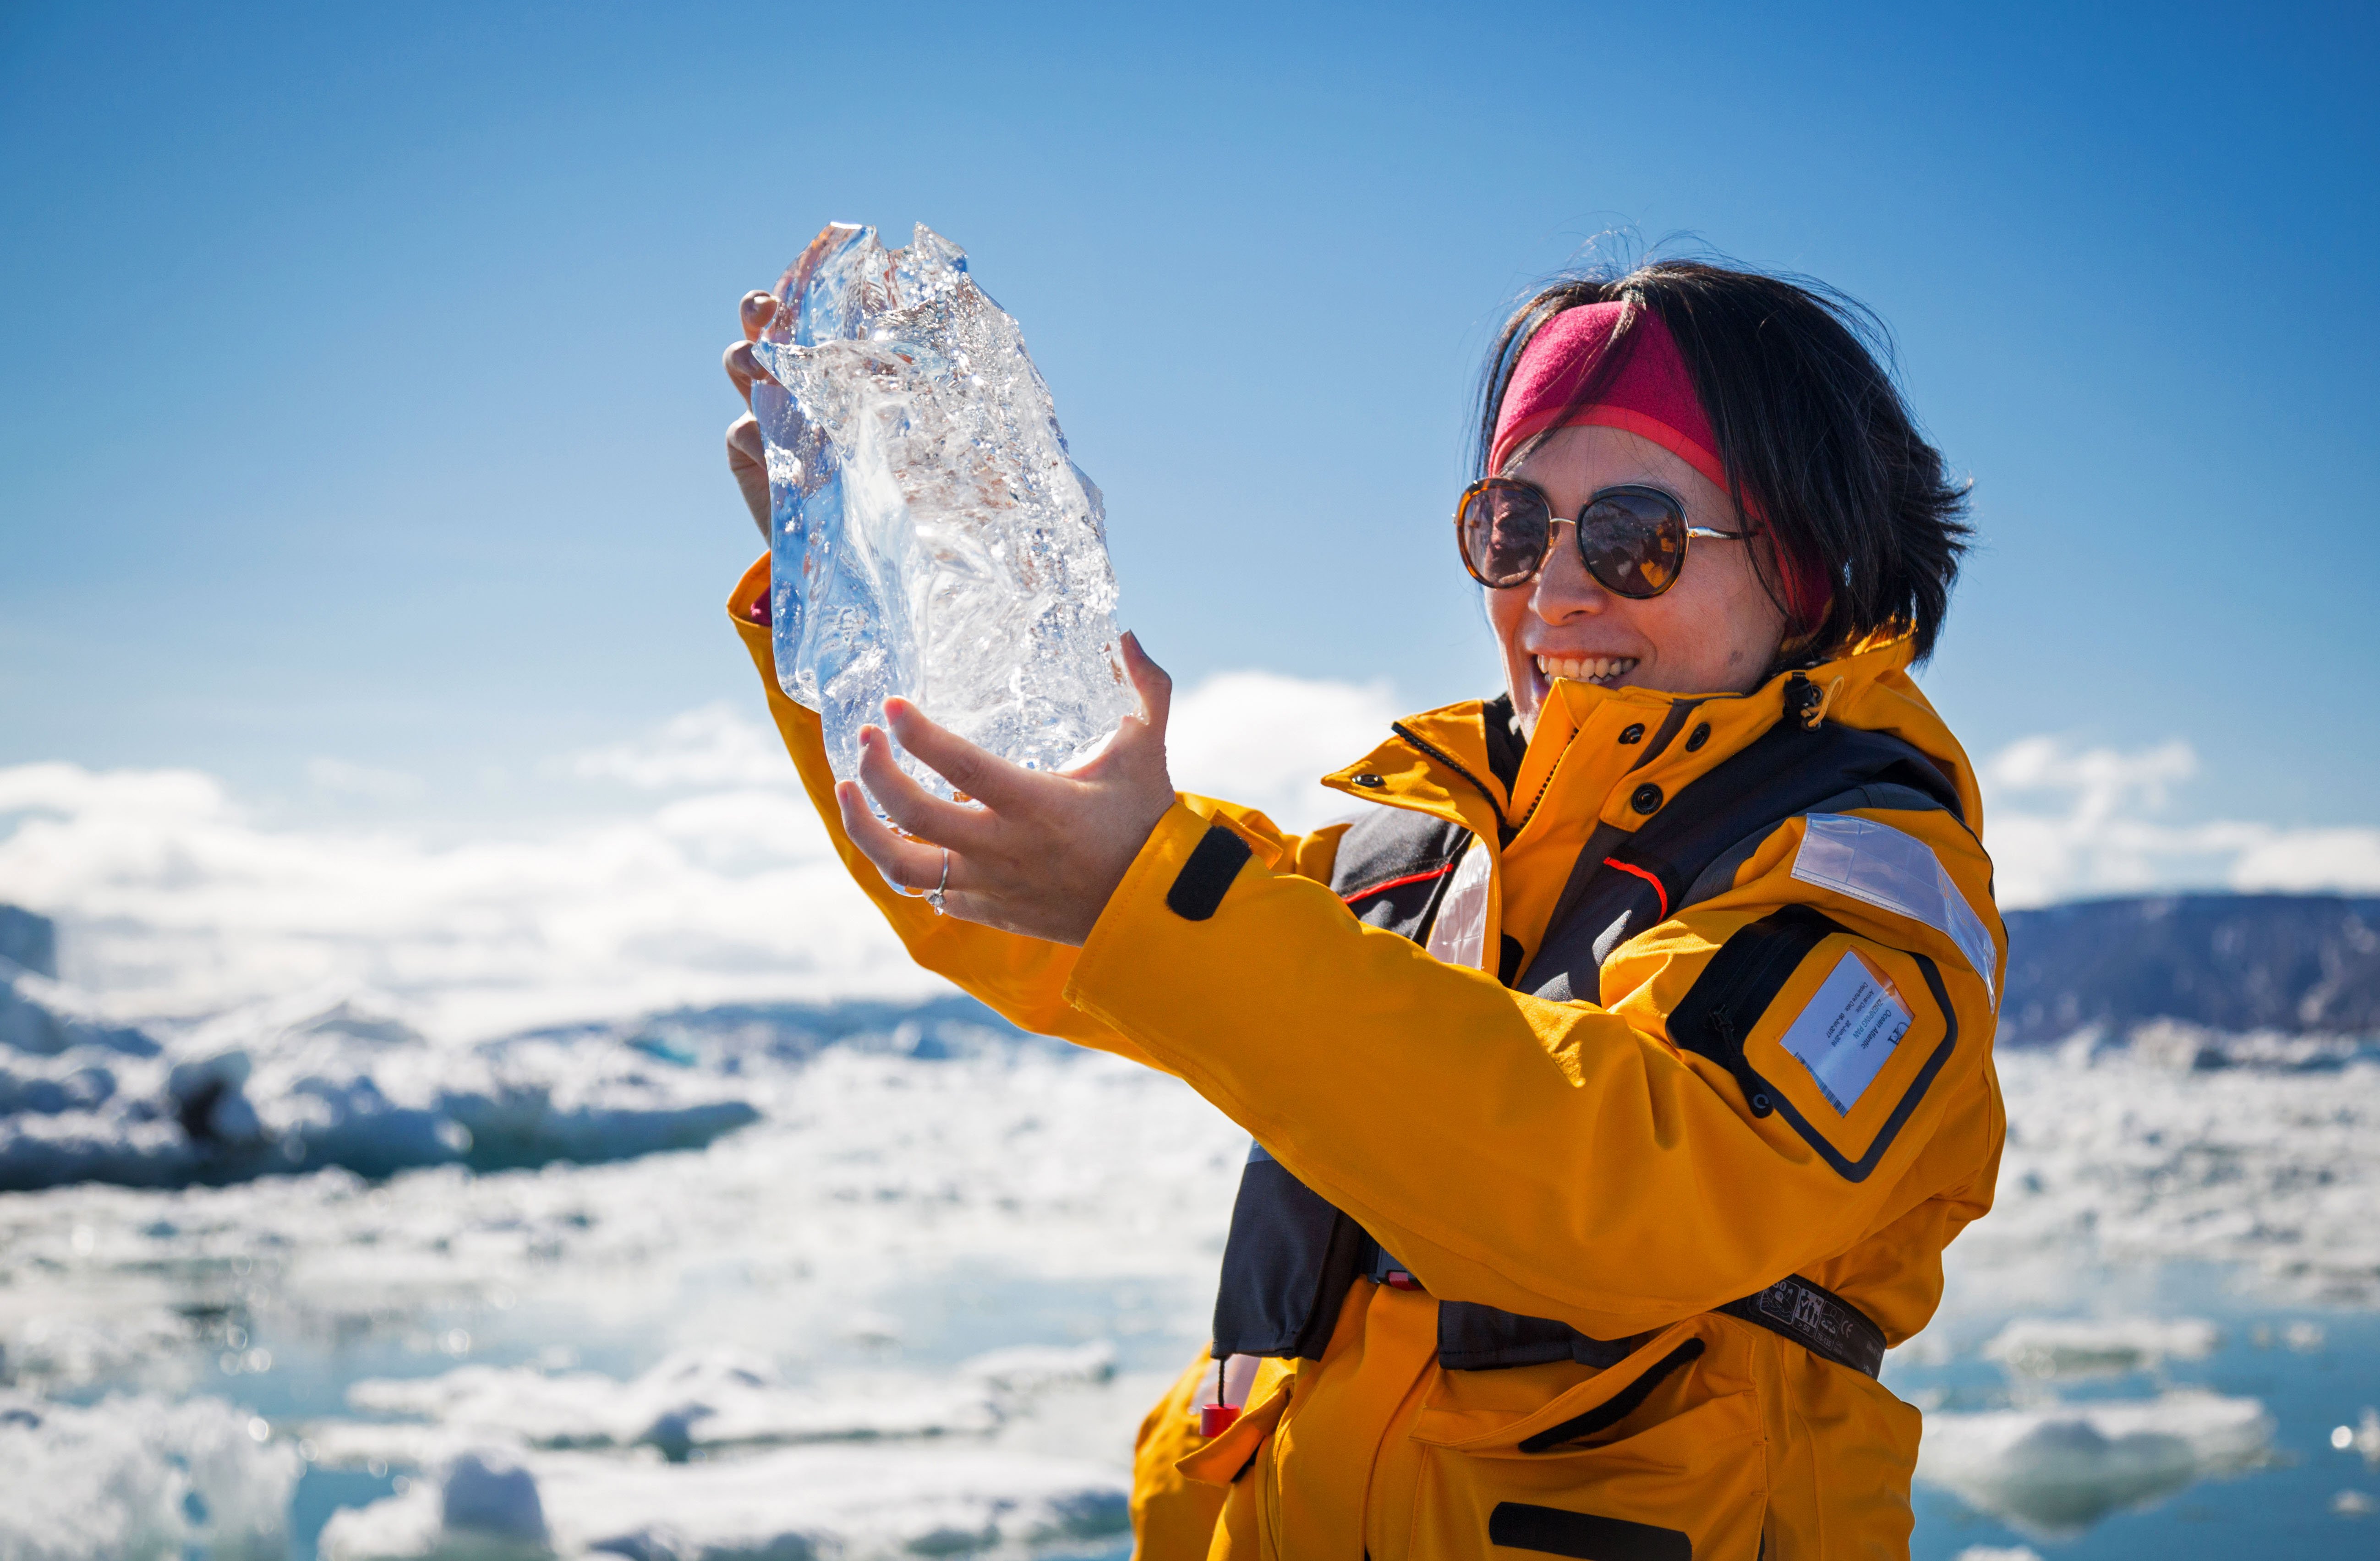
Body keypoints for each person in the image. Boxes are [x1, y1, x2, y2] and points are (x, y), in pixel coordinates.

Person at [718, 258, 2004, 1561]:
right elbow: (1022, 897)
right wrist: (857, 598)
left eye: (1633, 534)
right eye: (1512, 525)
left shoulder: (1868, 879)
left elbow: (1632, 1185)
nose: (1553, 592)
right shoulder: (1417, 845)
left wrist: (1148, 894)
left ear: (1802, 565)